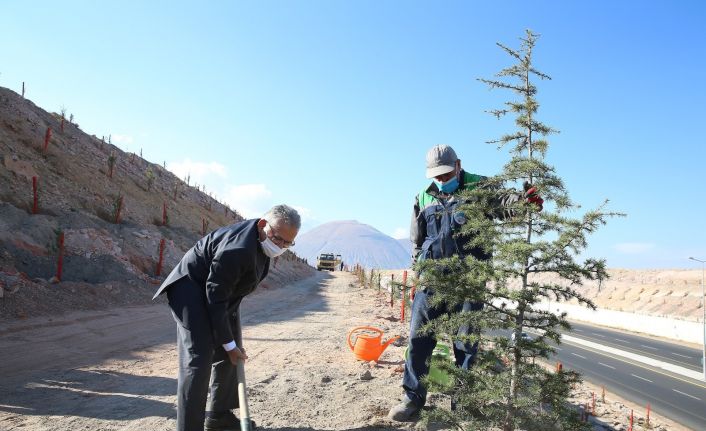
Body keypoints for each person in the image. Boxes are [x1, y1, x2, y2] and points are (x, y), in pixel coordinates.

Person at [388, 145, 542, 421]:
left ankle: (464, 405)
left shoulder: (479, 187)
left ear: (458, 165)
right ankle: (412, 400)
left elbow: (505, 204)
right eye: (437, 176)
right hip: (432, 281)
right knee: (418, 340)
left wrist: (523, 202)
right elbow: (417, 241)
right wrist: (419, 272)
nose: (442, 180)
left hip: (469, 282)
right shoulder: (423, 197)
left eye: (447, 174)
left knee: (466, 345)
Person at [153, 204, 300, 431]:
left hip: (220, 293)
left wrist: (230, 344)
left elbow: (225, 293)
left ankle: (217, 416)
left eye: (287, 243)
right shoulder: (237, 249)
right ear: (263, 225)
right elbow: (215, 298)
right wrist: (227, 342)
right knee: (198, 359)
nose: (280, 246)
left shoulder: (261, 239)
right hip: (190, 291)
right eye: (278, 239)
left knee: (233, 351)